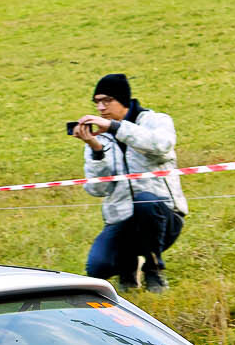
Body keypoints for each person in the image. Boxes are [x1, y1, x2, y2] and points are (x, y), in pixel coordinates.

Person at [75, 73, 187, 291]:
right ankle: (129, 267)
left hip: (163, 216)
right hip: (122, 219)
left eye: (106, 100)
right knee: (97, 268)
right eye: (96, 102)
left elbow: (161, 145)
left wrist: (116, 128)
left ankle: (153, 270)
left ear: (123, 100)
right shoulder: (99, 137)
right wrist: (96, 150)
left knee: (145, 202)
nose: (100, 108)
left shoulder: (156, 121)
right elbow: (97, 189)